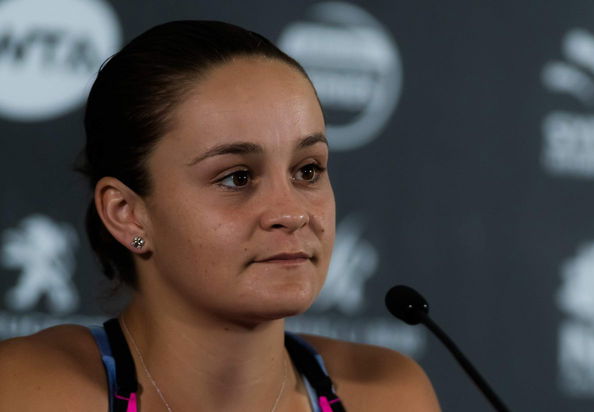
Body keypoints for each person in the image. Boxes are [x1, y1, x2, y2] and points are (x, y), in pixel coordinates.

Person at [0, 21, 440, 411]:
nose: (292, 213)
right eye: (236, 178)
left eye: (308, 170)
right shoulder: (27, 389)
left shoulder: (388, 394)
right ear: (128, 214)